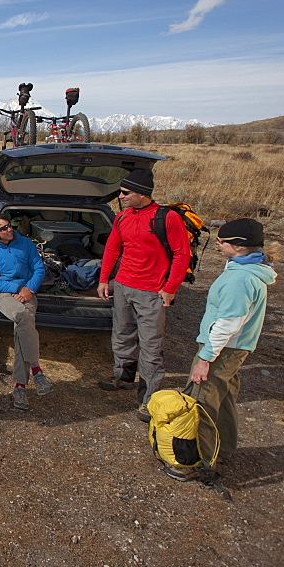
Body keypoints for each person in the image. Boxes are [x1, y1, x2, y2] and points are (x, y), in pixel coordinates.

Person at [166, 219, 278, 481]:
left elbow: (228, 322)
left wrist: (205, 358)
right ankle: (224, 448)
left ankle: (197, 462)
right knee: (223, 398)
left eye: (222, 241)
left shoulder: (239, 279)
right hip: (235, 350)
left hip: (222, 349)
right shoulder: (250, 270)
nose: (217, 244)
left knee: (202, 402)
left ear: (238, 247)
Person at [97, 169, 191, 423]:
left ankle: (150, 400)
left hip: (152, 291)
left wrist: (170, 288)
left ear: (142, 193)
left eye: (126, 193)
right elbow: (113, 248)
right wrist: (105, 279)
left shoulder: (167, 218)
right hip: (123, 286)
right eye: (121, 192)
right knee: (122, 335)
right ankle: (123, 377)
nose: (121, 196)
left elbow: (182, 254)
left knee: (151, 346)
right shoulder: (122, 217)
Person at [0, 212, 50, 410]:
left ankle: (20, 387)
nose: (9, 230)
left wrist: (28, 289)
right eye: (3, 228)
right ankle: (36, 369)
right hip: (3, 294)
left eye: (9, 226)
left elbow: (38, 269)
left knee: (23, 325)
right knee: (22, 316)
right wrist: (16, 289)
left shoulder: (25, 243)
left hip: (27, 293)